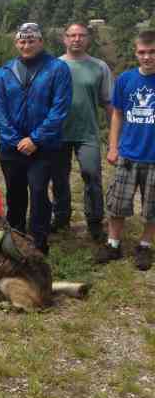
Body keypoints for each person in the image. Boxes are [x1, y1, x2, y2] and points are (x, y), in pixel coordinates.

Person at [0, 22, 72, 254]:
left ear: (40, 41)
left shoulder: (57, 68)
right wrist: (16, 140)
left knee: (38, 192)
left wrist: (35, 139)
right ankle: (15, 238)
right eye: (22, 41)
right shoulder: (6, 71)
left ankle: (39, 241)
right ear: (16, 43)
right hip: (12, 147)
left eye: (31, 41)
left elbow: (60, 109)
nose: (26, 45)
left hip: (44, 146)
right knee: (14, 194)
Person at [51, 23, 114, 240]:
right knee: (59, 178)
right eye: (72, 35)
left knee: (92, 176)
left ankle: (95, 221)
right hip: (58, 133)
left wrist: (114, 136)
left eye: (81, 35)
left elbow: (109, 103)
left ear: (88, 39)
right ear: (65, 39)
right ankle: (61, 218)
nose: (76, 39)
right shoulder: (54, 66)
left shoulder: (99, 67)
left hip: (88, 133)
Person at [101, 30, 155, 270]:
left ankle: (144, 245)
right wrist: (113, 146)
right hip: (128, 153)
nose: (147, 57)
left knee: (152, 206)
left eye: (152, 52)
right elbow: (117, 115)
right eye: (142, 52)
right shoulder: (125, 80)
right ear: (136, 52)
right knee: (118, 202)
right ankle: (113, 244)